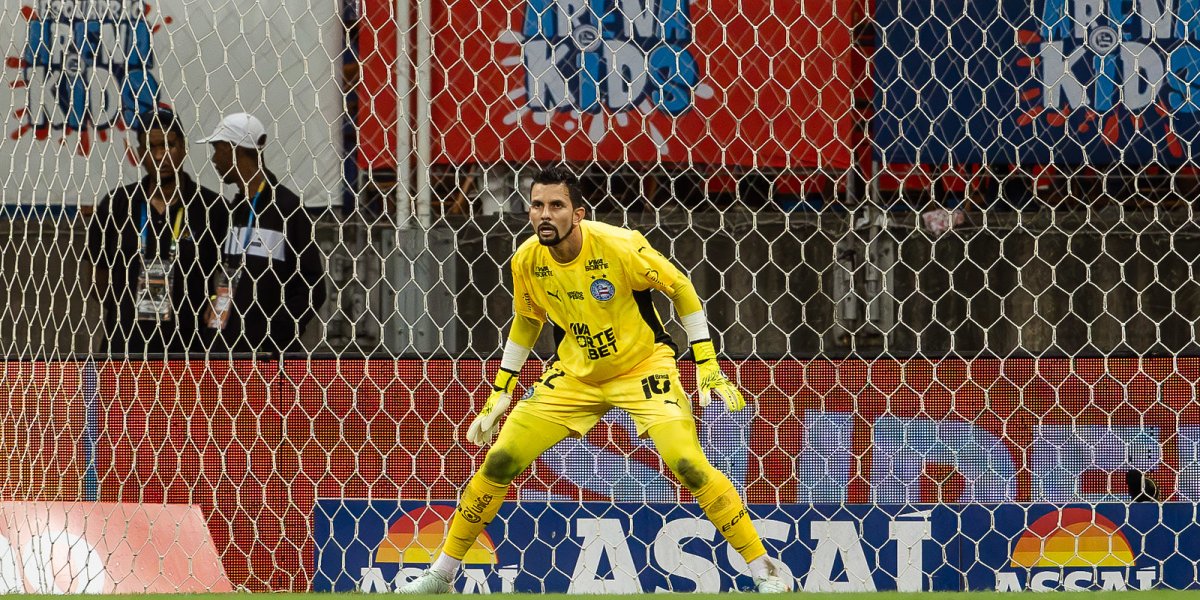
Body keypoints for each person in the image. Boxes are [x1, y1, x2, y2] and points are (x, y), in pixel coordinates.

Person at [399, 165, 790, 594]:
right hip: (574, 377)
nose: (544, 214)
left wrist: (706, 364)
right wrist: (501, 390)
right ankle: (442, 575)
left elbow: (681, 289)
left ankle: (765, 572)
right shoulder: (527, 259)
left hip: (643, 369)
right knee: (500, 459)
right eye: (537, 205)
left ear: (578, 213)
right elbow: (527, 321)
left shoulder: (621, 246)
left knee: (689, 465)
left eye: (556, 206)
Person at [87, 108, 227, 356]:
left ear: (183, 148)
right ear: (140, 154)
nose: (161, 155)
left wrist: (217, 301)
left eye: (169, 145)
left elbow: (230, 269)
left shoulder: (211, 208)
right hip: (126, 346)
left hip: (189, 347)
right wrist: (124, 308)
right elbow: (97, 271)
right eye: (151, 148)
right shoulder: (118, 204)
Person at [196, 112, 326, 354]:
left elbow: (312, 286)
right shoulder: (234, 210)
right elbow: (230, 273)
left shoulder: (287, 209)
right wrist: (215, 304)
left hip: (268, 358)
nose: (214, 159)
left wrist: (276, 336)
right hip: (225, 350)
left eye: (217, 149)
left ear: (233, 149)